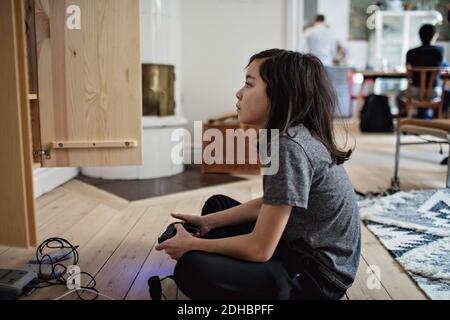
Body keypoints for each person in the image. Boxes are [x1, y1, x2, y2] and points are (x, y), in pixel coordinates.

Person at [156, 49, 361, 300]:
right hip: (294, 245)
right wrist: (208, 223)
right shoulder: (286, 137)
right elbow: (271, 203)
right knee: (215, 207)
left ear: (280, 95)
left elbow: (260, 249)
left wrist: (194, 245)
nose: (238, 93)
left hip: (315, 278)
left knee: (192, 268)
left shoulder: (289, 147)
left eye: (249, 84)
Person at [396, 24, 449, 119]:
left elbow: (408, 70)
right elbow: (444, 67)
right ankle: (438, 118)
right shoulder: (439, 51)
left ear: (419, 36)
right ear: (434, 36)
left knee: (399, 96)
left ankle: (405, 120)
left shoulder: (411, 52)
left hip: (414, 91)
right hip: (434, 92)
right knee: (446, 93)